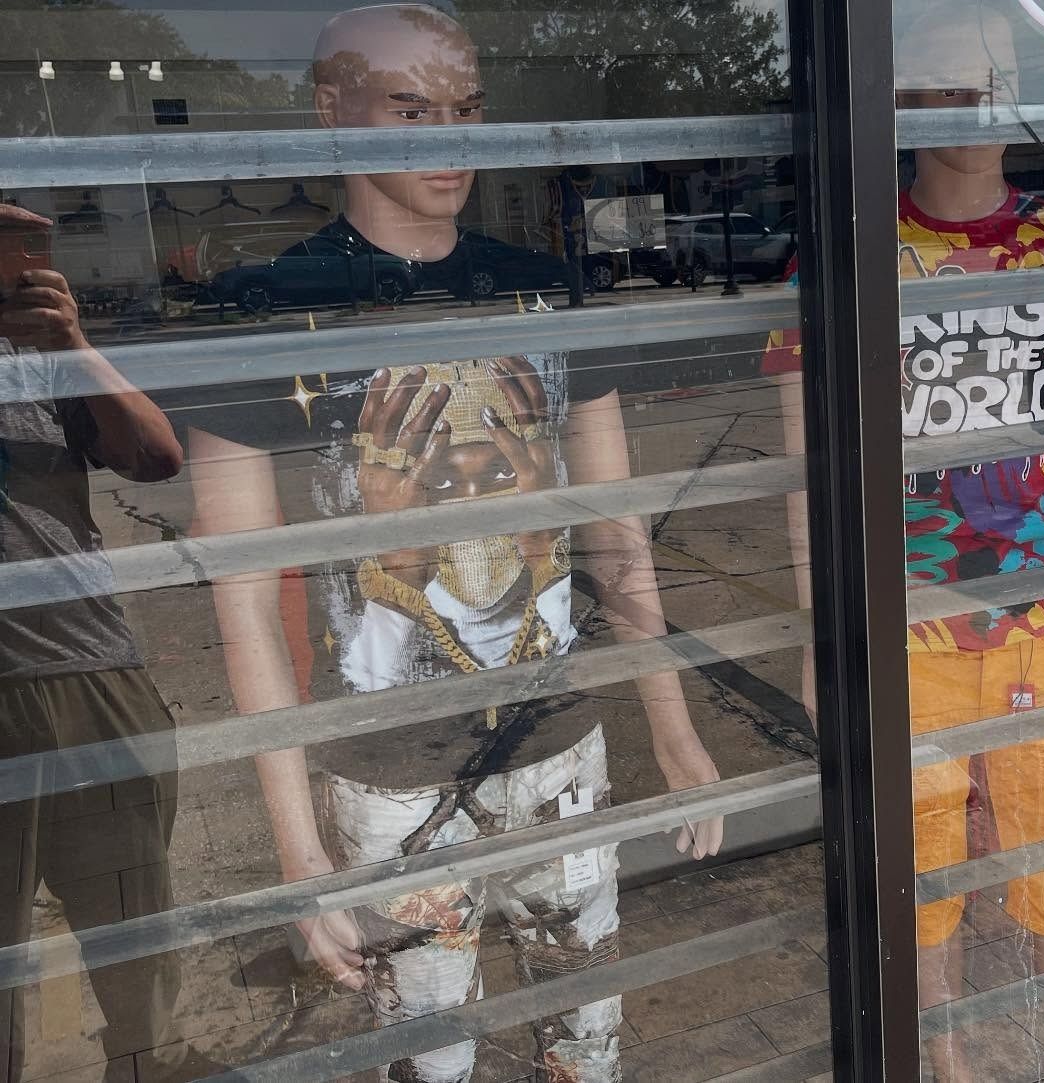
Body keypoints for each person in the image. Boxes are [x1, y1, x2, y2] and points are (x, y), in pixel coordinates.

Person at [178, 6, 723, 1081]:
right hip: (387, 785)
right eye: (411, 108)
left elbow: (617, 535)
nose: (449, 137)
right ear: (334, 115)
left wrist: (672, 728)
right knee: (430, 1063)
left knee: (589, 1042)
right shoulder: (263, 315)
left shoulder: (544, 291)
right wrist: (297, 853)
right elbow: (243, 602)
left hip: (563, 752)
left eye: (467, 109)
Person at [768, 5, 1044, 1080]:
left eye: (988, 82)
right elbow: (804, 483)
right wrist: (823, 647)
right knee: (919, 915)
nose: (969, 106)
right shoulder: (841, 255)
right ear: (897, 97)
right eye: (944, 83)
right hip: (901, 641)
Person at [0, 204, 200, 1080]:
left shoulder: (35, 354)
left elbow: (156, 458)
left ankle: (146, 1065)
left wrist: (71, 341)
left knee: (137, 935)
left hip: (92, 672)